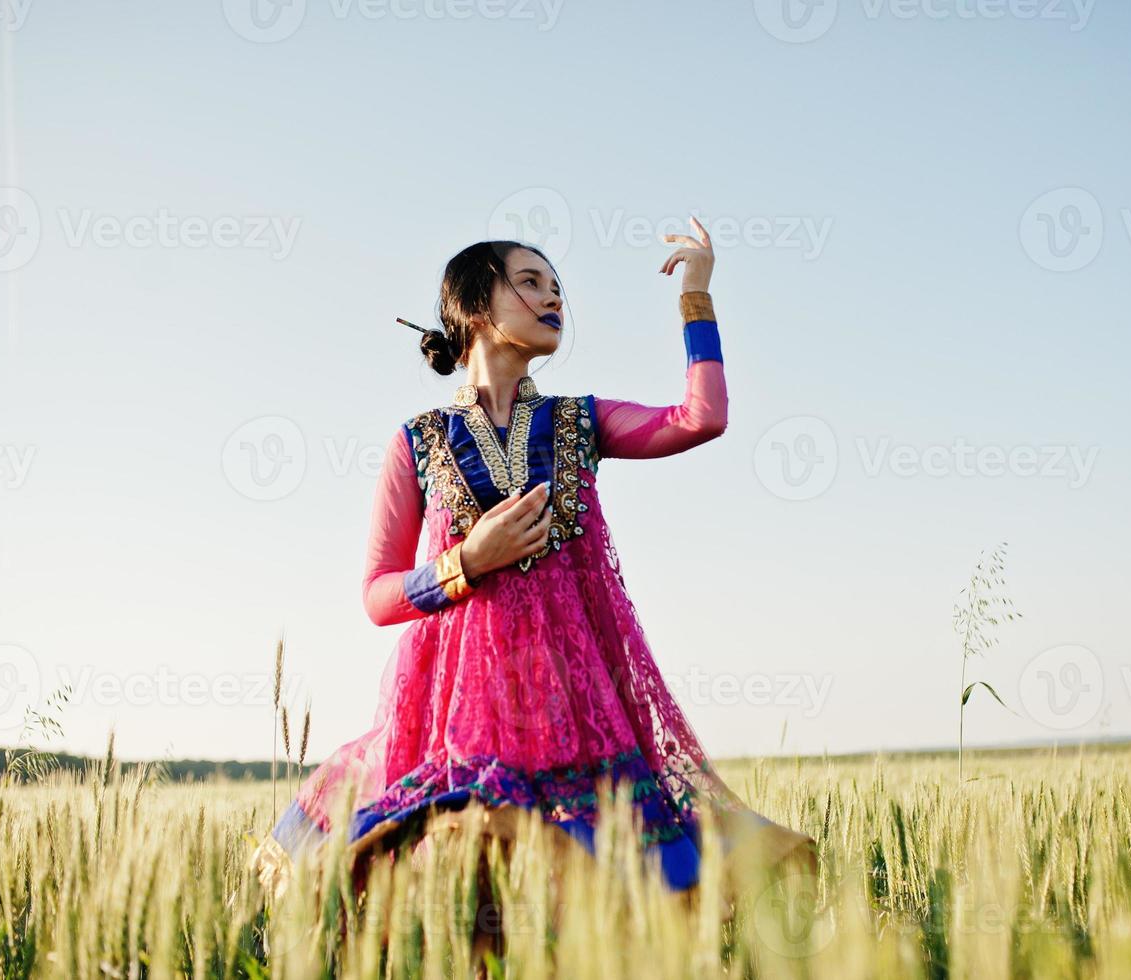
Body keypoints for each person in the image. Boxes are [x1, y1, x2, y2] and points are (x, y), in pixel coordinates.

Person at [251, 217, 816, 916]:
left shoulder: (580, 421)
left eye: (556, 288)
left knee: (582, 906)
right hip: (451, 714)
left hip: (575, 706)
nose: (553, 299)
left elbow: (701, 417)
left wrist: (694, 296)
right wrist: (465, 561)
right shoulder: (418, 442)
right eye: (530, 282)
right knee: (467, 902)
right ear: (474, 307)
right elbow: (376, 595)